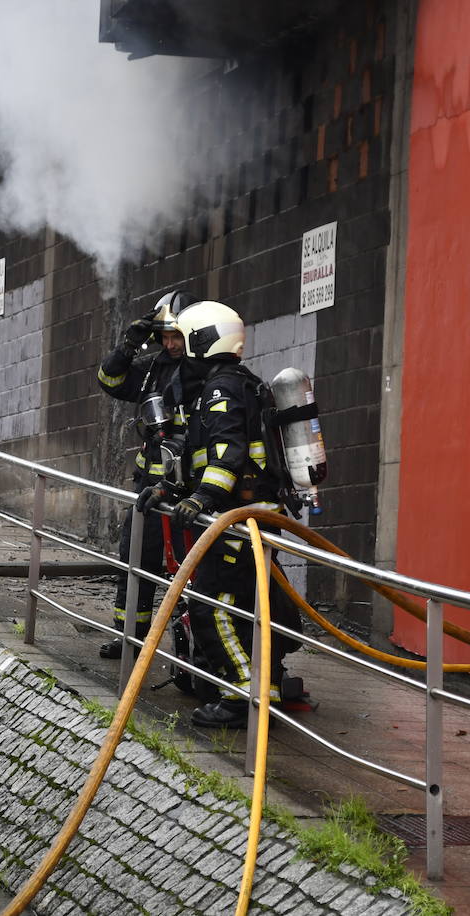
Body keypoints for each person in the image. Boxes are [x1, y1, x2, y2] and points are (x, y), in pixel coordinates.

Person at [146, 300, 302, 729]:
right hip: (253, 514)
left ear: (202, 340)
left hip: (239, 517)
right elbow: (204, 454)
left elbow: (227, 456)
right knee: (249, 607)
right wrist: (170, 488)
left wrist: (203, 500)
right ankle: (260, 693)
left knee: (211, 604)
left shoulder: (220, 390)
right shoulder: (243, 383)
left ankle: (240, 698)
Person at [95, 289, 197, 659]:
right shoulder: (153, 369)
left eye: (177, 336)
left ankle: (192, 652)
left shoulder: (203, 370)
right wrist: (128, 346)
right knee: (135, 562)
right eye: (165, 336)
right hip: (148, 491)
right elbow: (108, 380)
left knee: (189, 574)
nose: (171, 343)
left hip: (189, 492)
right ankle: (130, 641)